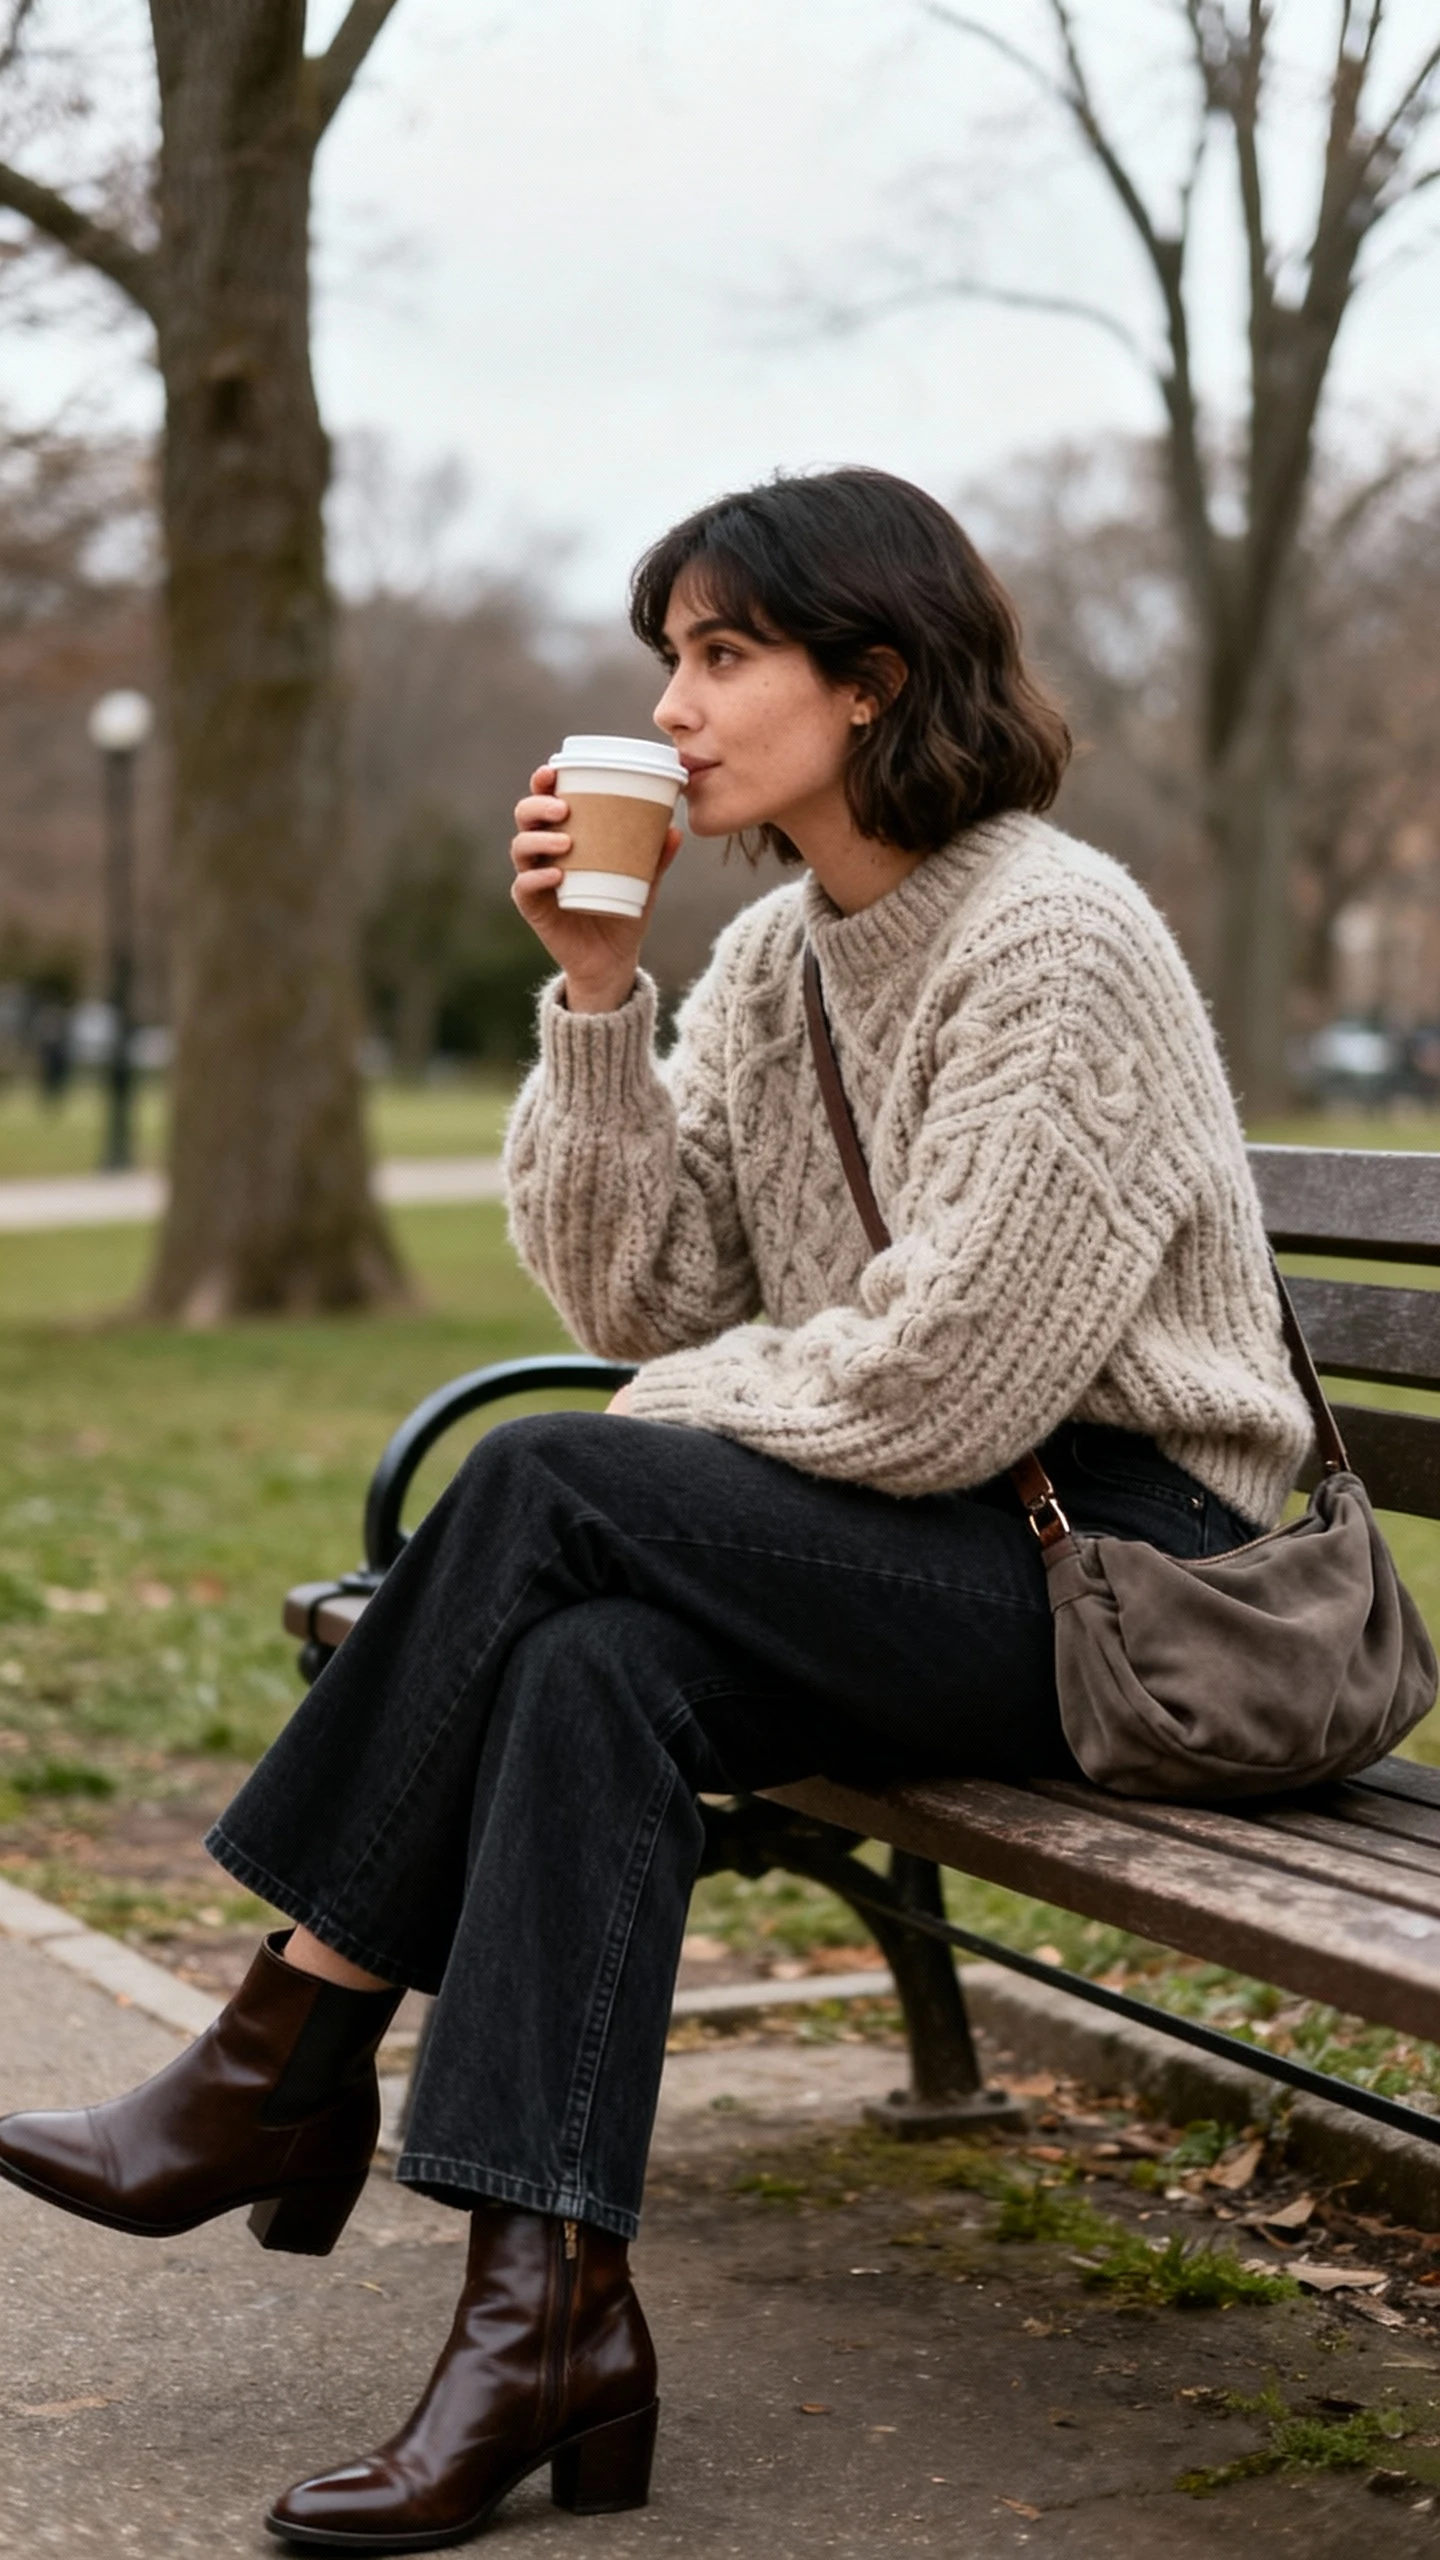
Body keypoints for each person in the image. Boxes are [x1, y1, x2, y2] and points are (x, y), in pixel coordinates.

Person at [0, 468, 1312, 2552]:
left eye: (721, 656)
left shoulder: (1058, 933)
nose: (673, 709)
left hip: (1143, 1580)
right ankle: (546, 2325)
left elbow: (950, 1374)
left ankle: (282, 2047)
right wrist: (599, 990)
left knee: (545, 1472)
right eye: (666, 660)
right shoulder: (790, 952)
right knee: (597, 1660)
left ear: (870, 682)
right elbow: (645, 1294)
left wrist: (645, 1421)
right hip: (956, 1535)